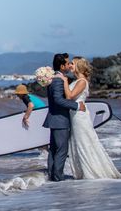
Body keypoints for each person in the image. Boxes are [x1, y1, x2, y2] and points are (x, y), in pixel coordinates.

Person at [60, 57, 121, 179]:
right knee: (78, 143)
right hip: (75, 115)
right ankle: (82, 172)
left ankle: (91, 173)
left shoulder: (82, 82)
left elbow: (70, 96)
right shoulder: (77, 81)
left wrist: (64, 81)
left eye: (72, 63)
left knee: (84, 143)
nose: (70, 65)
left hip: (79, 117)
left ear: (78, 66)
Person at [43, 53, 86, 182]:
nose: (69, 65)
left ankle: (52, 177)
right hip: (59, 120)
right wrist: (77, 106)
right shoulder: (57, 80)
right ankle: (58, 179)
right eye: (67, 63)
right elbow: (58, 100)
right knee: (61, 151)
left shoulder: (56, 78)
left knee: (54, 151)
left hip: (55, 119)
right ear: (62, 66)